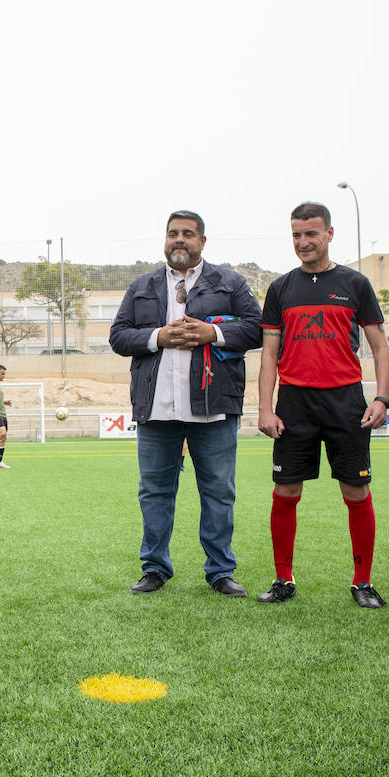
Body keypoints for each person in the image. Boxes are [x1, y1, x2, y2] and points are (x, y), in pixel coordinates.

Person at [110, 210, 263, 597]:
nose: (180, 240)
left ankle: (220, 570)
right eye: (173, 233)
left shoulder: (229, 282)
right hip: (156, 408)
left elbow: (256, 329)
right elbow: (118, 336)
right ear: (165, 238)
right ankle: (155, 567)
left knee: (218, 490)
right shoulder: (141, 286)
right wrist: (158, 336)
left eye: (188, 234)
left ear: (202, 242)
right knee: (155, 491)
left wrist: (213, 332)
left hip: (213, 408)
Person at [257, 201, 389, 609]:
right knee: (285, 489)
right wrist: (265, 408)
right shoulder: (281, 289)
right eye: (296, 234)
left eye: (311, 234)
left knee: (355, 490)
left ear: (329, 234)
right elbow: (268, 355)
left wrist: (382, 398)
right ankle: (284, 578)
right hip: (295, 402)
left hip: (345, 400)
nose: (303, 242)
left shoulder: (355, 284)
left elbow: (380, 346)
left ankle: (362, 582)